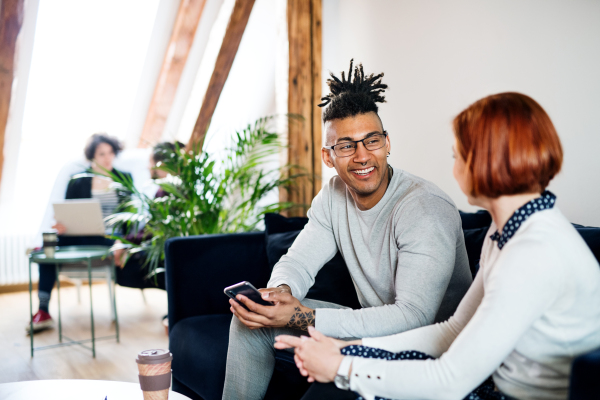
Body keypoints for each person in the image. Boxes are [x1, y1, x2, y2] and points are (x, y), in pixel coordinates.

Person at [275, 92, 600, 400]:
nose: (454, 166)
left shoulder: (533, 253)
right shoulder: (505, 232)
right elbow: (455, 329)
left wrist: (342, 366)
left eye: (458, 155)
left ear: (487, 162)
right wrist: (348, 350)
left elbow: (450, 380)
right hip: (489, 383)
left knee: (333, 387)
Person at [222, 60, 472, 399]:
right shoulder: (333, 197)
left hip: (429, 347)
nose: (361, 155)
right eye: (346, 145)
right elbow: (299, 261)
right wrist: (281, 290)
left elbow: (414, 317)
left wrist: (303, 316)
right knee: (253, 322)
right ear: (328, 157)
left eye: (371, 141)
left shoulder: (423, 208)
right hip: (372, 328)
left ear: (387, 143)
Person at [28, 133, 132, 333]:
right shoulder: (77, 180)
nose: (107, 157)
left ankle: (42, 310)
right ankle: (43, 310)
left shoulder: (125, 179)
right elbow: (68, 212)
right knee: (47, 251)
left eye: (110, 152)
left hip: (109, 241)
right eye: (101, 154)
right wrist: (61, 225)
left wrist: (123, 242)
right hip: (78, 236)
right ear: (92, 156)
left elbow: (130, 217)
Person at [112, 141, 185, 290]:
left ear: (161, 163)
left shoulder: (168, 190)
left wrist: (124, 243)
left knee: (125, 270)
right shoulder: (178, 186)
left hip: (171, 253)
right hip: (173, 249)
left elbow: (156, 228)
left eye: (150, 161)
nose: (148, 166)